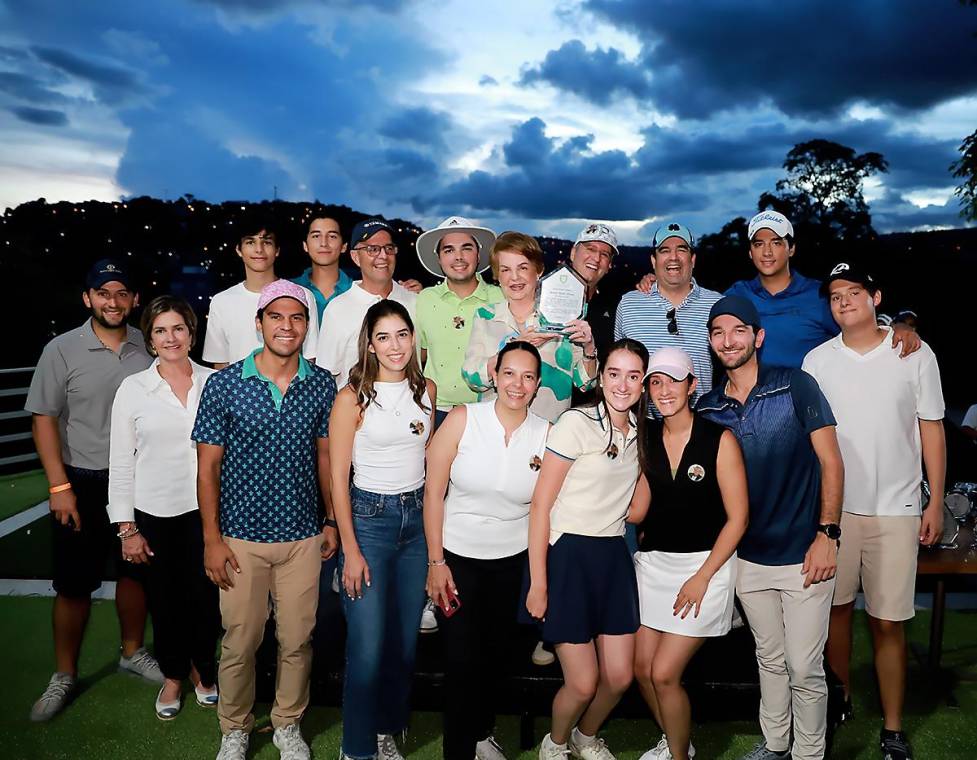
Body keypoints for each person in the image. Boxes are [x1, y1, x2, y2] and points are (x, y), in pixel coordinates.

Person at [802, 262, 946, 760]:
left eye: (854, 292)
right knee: (833, 615)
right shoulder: (817, 361)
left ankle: (892, 728)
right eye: (836, 295)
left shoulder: (913, 351)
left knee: (888, 621)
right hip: (835, 513)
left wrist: (935, 500)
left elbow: (931, 427)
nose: (843, 301)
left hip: (897, 508)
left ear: (876, 297)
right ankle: (837, 706)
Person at [192, 281, 338, 760]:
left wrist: (331, 520)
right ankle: (234, 727)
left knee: (297, 640)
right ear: (259, 324)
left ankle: (287, 723)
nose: (287, 326)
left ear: (306, 327)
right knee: (240, 642)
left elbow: (325, 458)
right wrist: (212, 540)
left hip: (302, 537)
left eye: (297, 318)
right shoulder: (225, 384)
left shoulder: (321, 384)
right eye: (276, 316)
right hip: (240, 540)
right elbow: (207, 468)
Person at [697, 296, 844, 760]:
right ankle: (777, 744)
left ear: (757, 336)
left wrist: (828, 535)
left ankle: (810, 753)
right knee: (770, 660)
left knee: (805, 667)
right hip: (747, 559)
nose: (728, 340)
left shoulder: (796, 385)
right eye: (718, 332)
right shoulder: (708, 408)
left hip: (805, 554)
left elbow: (832, 463)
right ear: (711, 342)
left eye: (738, 330)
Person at [26, 259, 161, 723]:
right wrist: (58, 485)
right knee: (74, 583)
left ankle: (131, 651)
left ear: (134, 300)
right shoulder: (61, 349)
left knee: (136, 574)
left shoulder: (150, 344)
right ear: (88, 298)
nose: (113, 301)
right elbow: (43, 418)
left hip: (140, 481)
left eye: (122, 293)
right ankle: (64, 673)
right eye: (103, 292)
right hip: (81, 481)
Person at [424, 341, 549, 760]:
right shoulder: (463, 418)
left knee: (494, 659)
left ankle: (480, 733)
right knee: (460, 663)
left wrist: (537, 581)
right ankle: (458, 752)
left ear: (537, 385)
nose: (518, 384)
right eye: (510, 373)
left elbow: (540, 514)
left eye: (528, 376)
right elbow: (433, 493)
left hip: (510, 564)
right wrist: (436, 562)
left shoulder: (546, 434)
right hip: (456, 562)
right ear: (494, 374)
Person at [526, 338, 649, 760]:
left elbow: (636, 510)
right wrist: (539, 584)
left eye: (634, 376)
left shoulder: (639, 432)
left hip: (613, 555)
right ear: (600, 375)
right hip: (568, 557)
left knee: (618, 677)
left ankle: (585, 736)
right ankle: (555, 744)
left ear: (643, 383)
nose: (622, 384)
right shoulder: (575, 422)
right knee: (582, 682)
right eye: (614, 373)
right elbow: (540, 506)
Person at [329, 299, 437, 760]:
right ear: (369, 345)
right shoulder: (351, 396)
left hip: (416, 525)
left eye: (401, 334)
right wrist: (350, 551)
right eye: (383, 337)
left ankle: (387, 729)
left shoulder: (426, 389)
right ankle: (356, 748)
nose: (394, 346)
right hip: (368, 523)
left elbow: (431, 464)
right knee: (368, 649)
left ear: (413, 338)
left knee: (405, 644)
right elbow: (336, 478)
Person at [632, 347, 749, 760]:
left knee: (664, 674)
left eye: (673, 381)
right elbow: (637, 507)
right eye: (656, 382)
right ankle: (677, 738)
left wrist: (702, 577)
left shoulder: (720, 439)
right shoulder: (643, 437)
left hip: (706, 566)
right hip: (653, 565)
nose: (664, 390)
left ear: (693, 385)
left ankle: (679, 755)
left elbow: (738, 519)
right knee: (641, 670)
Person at [107, 295, 220, 719]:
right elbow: (120, 460)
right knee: (166, 602)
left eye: (178, 328)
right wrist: (126, 527)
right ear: (150, 339)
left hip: (210, 512)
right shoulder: (133, 389)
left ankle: (203, 672)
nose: (170, 338)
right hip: (154, 514)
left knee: (208, 600)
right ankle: (174, 675)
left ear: (192, 333)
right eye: (160, 330)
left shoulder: (217, 383)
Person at [725, 211, 920, 367]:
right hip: (754, 408)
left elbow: (864, 324)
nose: (767, 252)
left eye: (776, 242)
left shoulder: (820, 294)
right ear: (750, 252)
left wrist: (899, 324)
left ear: (791, 249)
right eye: (759, 244)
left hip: (811, 407)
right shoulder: (736, 295)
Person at [463, 231, 597, 424]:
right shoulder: (485, 316)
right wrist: (515, 346)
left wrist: (589, 348)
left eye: (523, 268)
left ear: (539, 270)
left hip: (548, 433)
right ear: (497, 276)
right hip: (493, 430)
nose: (514, 277)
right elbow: (472, 377)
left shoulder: (562, 318)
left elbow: (586, 383)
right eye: (505, 270)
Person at [615, 223, 722, 403]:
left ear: (693, 259)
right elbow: (618, 368)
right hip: (641, 424)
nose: (673, 257)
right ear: (654, 261)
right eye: (664, 250)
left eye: (681, 250)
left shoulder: (716, 305)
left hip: (700, 422)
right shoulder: (629, 304)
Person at [415, 215, 502, 429]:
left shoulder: (501, 297)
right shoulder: (424, 299)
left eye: (466, 248)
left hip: (487, 409)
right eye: (449, 250)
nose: (459, 257)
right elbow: (420, 354)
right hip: (436, 410)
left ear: (478, 254)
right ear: (439, 258)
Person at [202, 219, 320, 369]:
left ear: (277, 250)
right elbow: (220, 365)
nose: (259, 249)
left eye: (267, 242)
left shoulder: (302, 296)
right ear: (239, 249)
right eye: (250, 242)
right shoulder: (221, 302)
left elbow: (310, 359)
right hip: (238, 391)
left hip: (291, 390)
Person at [316, 218, 418, 390]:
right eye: (373, 249)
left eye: (389, 248)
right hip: (357, 412)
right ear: (355, 257)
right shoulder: (337, 309)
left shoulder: (415, 301)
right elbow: (326, 376)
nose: (383, 256)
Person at [292, 210, 355, 322]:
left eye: (332, 236)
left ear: (344, 246)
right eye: (316, 236)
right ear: (305, 245)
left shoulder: (356, 291)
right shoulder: (289, 289)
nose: (324, 243)